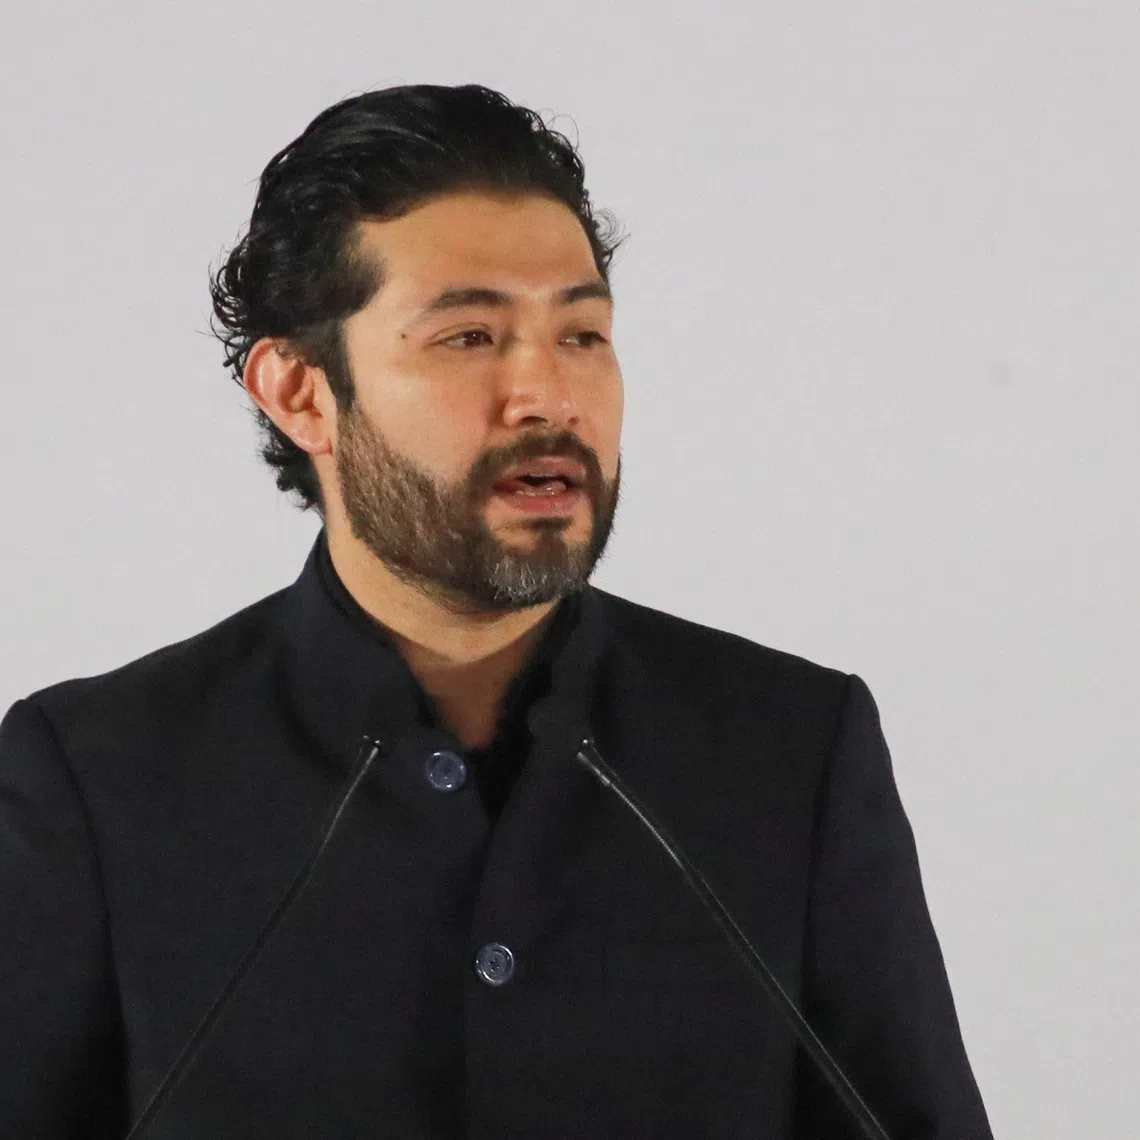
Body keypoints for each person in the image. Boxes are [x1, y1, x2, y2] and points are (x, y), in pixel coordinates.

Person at [0, 84, 993, 1138]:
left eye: (582, 335)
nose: (548, 397)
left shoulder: (790, 750)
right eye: (470, 337)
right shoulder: (98, 780)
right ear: (299, 394)